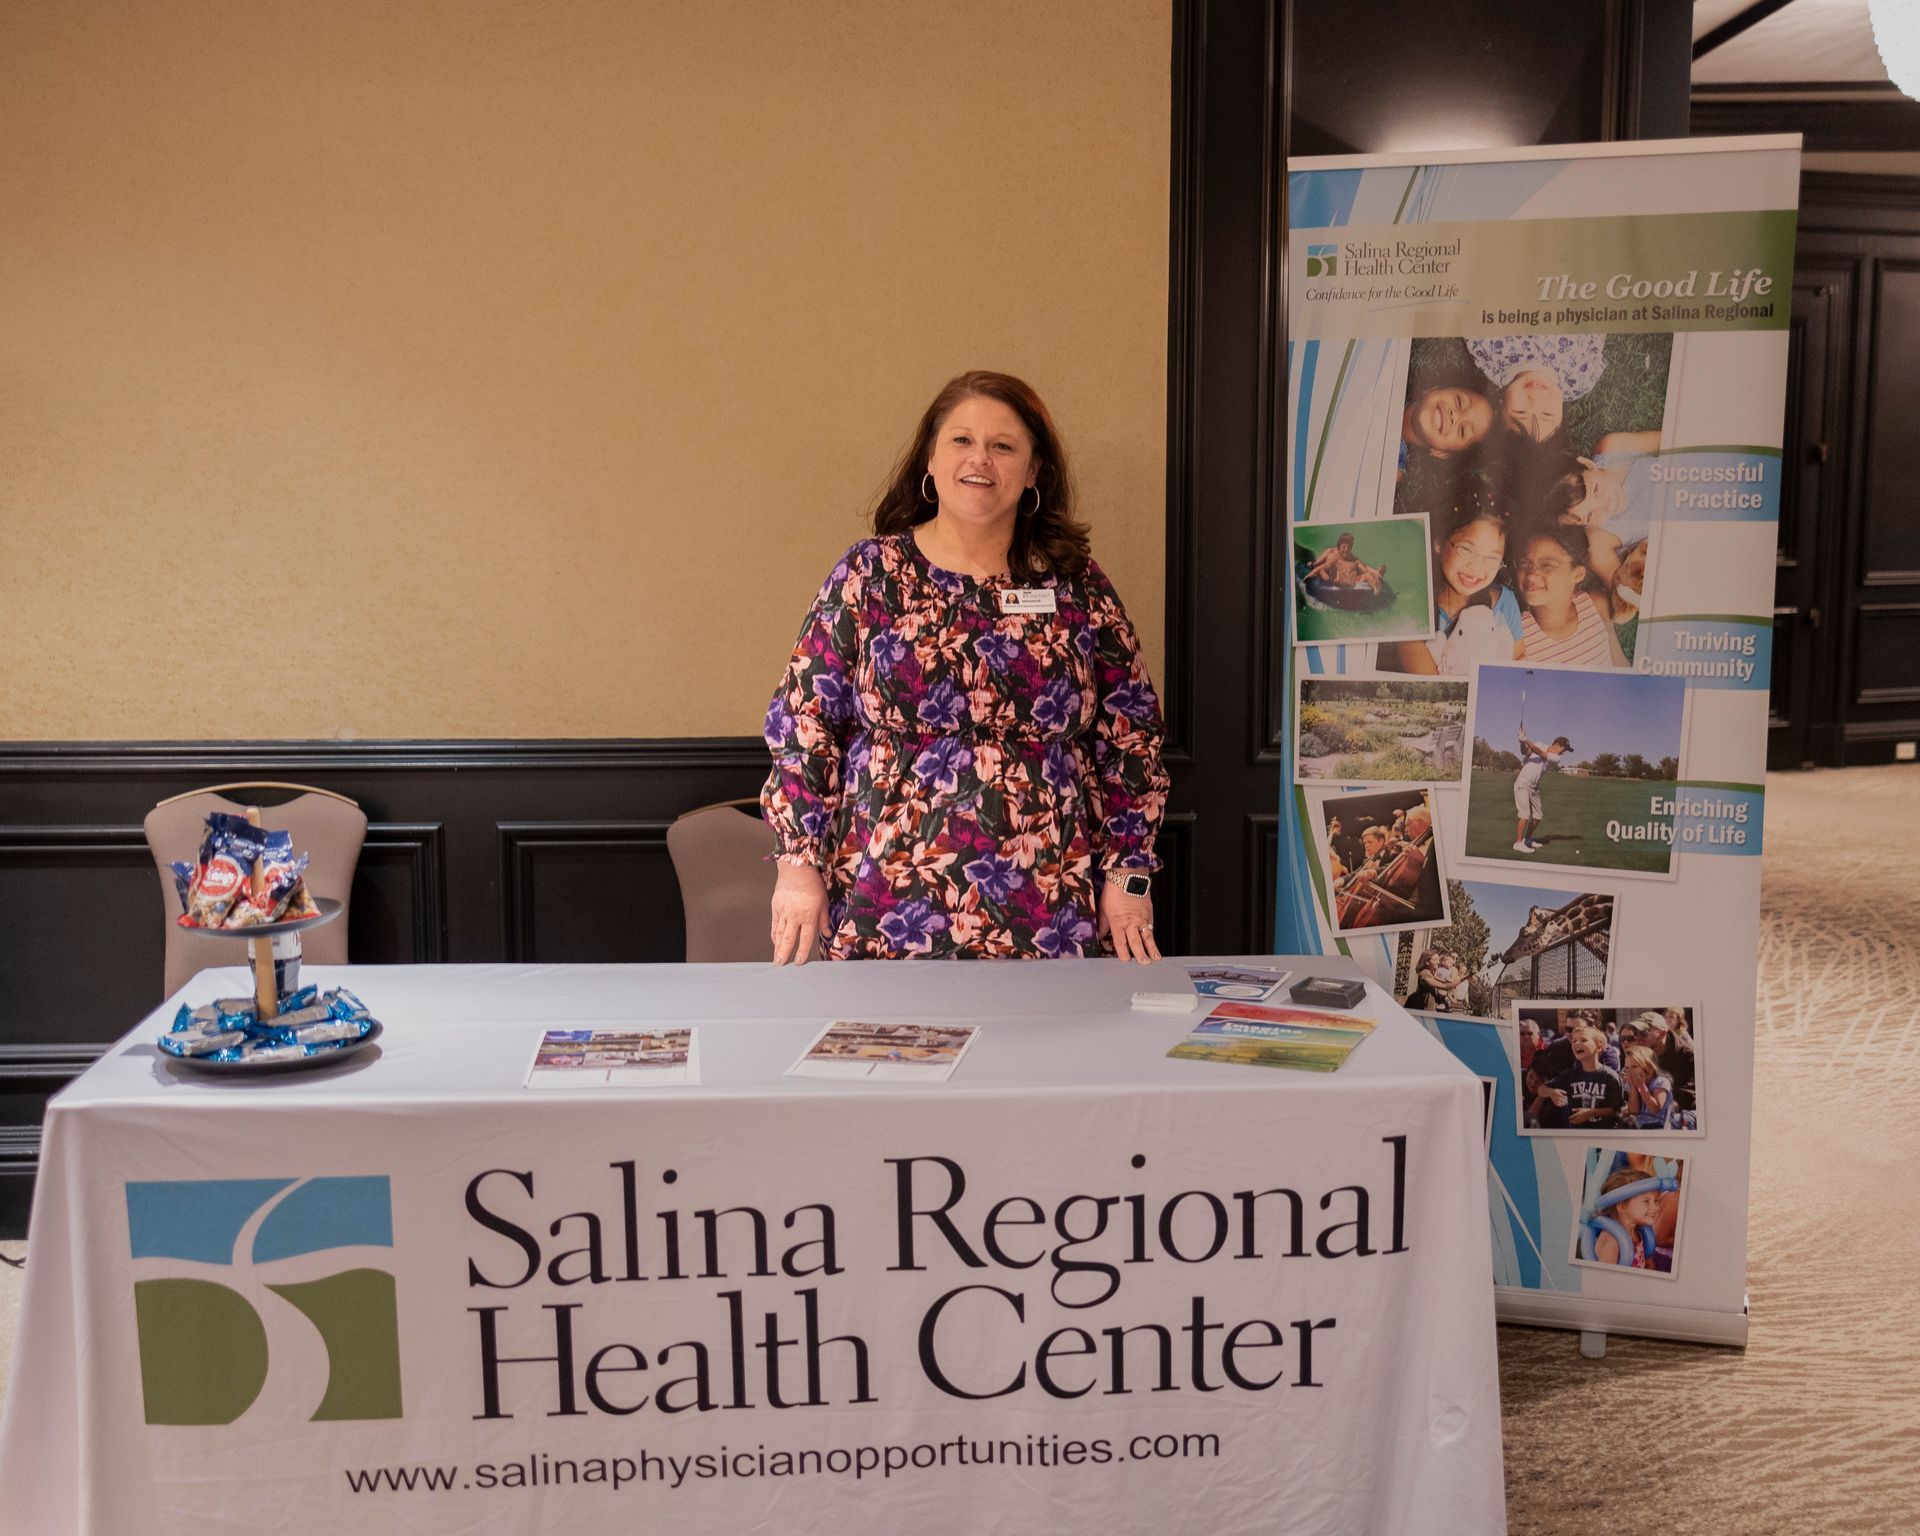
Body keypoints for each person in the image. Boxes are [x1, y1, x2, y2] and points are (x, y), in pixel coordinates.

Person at [762, 370, 1169, 965]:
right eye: (961, 440)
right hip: (885, 899)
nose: (980, 459)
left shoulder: (1074, 583)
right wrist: (797, 872)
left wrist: (1129, 878)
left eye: (1004, 446)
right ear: (930, 458)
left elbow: (1133, 735)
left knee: (1044, 1055)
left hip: (1049, 904)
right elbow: (803, 723)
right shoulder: (870, 574)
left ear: (1033, 473)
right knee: (891, 1052)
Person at [1382, 497, 1525, 676]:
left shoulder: (1505, 603)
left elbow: (1518, 657)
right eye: (1466, 549)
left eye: (1492, 558)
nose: (1476, 567)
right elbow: (1430, 689)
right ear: (1439, 543)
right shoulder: (1411, 610)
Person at [1466, 334, 1608, 448]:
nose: (1536, 399)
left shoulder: (1491, 352)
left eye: (1520, 412)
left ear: (1501, 404)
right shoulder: (1579, 379)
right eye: (1547, 414)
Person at [1514, 526, 1628, 668]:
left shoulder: (1596, 604)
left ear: (1578, 574)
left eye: (1547, 565)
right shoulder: (1516, 636)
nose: (1531, 574)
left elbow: (1618, 661)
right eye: (1525, 563)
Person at [1529, 1023, 1623, 1129]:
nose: (1577, 1043)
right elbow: (1541, 1089)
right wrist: (1551, 1093)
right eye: (1574, 1041)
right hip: (1576, 1133)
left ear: (1599, 1046)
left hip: (1603, 1133)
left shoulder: (1610, 1076)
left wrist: (1590, 1113)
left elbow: (1616, 1110)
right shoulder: (1569, 1075)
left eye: (1583, 1040)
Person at [1591, 1166, 1665, 1269]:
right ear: (1622, 1206)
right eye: (1646, 1201)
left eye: (1656, 1201)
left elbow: (1648, 1262)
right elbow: (1605, 1277)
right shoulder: (1611, 1240)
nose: (1656, 1207)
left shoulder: (1640, 1232)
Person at [1512, 729, 1571, 853]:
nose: (1563, 752)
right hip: (1522, 783)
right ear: (1557, 745)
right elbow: (1525, 752)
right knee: (1524, 814)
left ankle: (1527, 839)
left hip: (1534, 788)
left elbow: (1540, 753)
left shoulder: (1556, 758)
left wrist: (1526, 740)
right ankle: (1517, 843)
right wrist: (1521, 742)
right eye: (1564, 749)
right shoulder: (1539, 744)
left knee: (1538, 816)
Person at [1303, 531, 1384, 590]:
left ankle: (1375, 584)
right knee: (1337, 575)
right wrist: (1311, 571)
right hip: (1334, 576)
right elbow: (1321, 566)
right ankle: (1350, 583)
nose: (1346, 549)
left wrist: (1373, 574)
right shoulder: (1331, 553)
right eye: (1344, 547)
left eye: (1349, 547)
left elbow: (1364, 568)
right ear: (1339, 546)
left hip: (1350, 575)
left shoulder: (1352, 558)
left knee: (1365, 573)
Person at [1621, 1045, 1676, 1129]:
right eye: (1627, 1068)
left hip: (1660, 1126)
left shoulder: (1661, 1082)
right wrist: (1633, 1086)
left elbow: (1655, 1109)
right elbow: (1634, 1111)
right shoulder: (1634, 1083)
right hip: (1641, 1127)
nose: (1630, 1071)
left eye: (1634, 1066)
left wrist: (1642, 1087)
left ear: (1649, 1067)